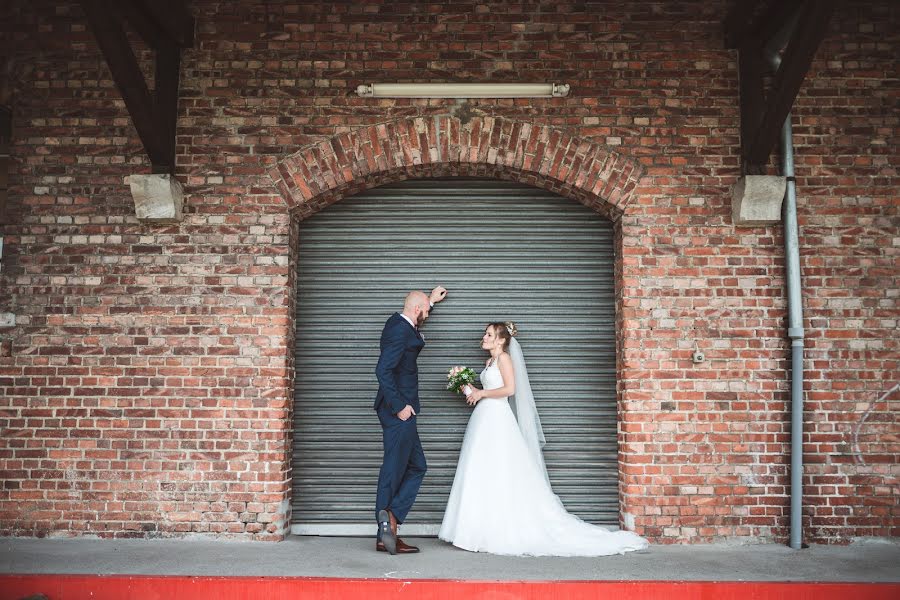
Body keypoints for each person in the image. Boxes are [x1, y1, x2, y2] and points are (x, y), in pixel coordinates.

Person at [439, 322, 649, 556]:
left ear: (500, 340)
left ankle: (496, 529)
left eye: (489, 334)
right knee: (482, 469)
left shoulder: (504, 359)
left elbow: (509, 389)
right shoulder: (489, 362)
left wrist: (482, 393)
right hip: (484, 418)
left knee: (500, 469)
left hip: (498, 418)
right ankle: (475, 530)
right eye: (485, 334)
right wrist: (466, 386)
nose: (484, 337)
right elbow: (488, 389)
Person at [374, 286, 448, 555]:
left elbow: (415, 316)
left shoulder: (399, 323)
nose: (427, 315)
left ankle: (390, 521)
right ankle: (385, 531)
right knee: (394, 468)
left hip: (403, 409)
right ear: (417, 310)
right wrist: (399, 406)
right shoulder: (399, 329)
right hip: (399, 410)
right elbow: (383, 370)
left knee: (417, 466)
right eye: (425, 312)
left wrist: (429, 300)